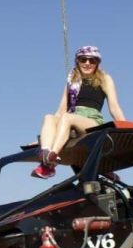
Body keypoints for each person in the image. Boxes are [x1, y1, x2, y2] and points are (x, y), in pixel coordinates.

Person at [31, 45, 125, 178]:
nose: (87, 63)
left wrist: (126, 127)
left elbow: (114, 107)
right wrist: (43, 138)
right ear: (77, 61)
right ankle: (46, 153)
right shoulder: (72, 82)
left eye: (92, 60)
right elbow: (60, 110)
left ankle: (51, 160)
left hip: (91, 122)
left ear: (97, 63)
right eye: (83, 59)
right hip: (70, 120)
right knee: (49, 117)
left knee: (67, 118)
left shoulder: (104, 79)